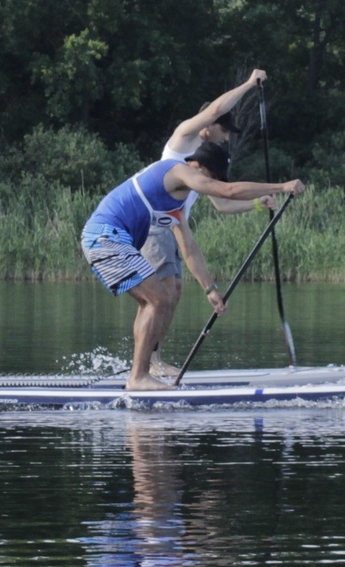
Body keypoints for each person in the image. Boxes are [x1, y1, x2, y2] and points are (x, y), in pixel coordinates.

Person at [82, 141, 303, 390]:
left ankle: (139, 373)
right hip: (106, 237)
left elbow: (189, 248)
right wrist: (283, 186)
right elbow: (227, 192)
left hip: (109, 239)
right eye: (210, 176)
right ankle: (138, 376)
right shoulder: (176, 169)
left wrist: (210, 289)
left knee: (152, 302)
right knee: (160, 300)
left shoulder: (175, 204)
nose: (209, 183)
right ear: (196, 164)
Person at [136, 69, 269, 343]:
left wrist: (257, 203)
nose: (227, 138)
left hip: (173, 224)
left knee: (174, 292)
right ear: (208, 126)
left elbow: (222, 203)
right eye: (224, 130)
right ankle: (148, 364)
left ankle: (151, 359)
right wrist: (247, 84)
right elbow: (217, 107)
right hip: (153, 223)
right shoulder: (184, 138)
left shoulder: (205, 159)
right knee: (163, 291)